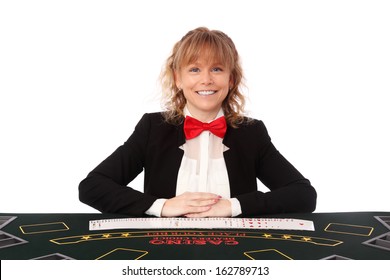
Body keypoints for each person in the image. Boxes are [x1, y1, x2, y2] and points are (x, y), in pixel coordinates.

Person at [79, 27, 317, 218]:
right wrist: (162, 206)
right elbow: (92, 186)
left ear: (231, 79)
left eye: (216, 69)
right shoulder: (153, 128)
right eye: (194, 69)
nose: (206, 80)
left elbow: (303, 195)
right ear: (178, 78)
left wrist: (232, 206)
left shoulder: (252, 132)